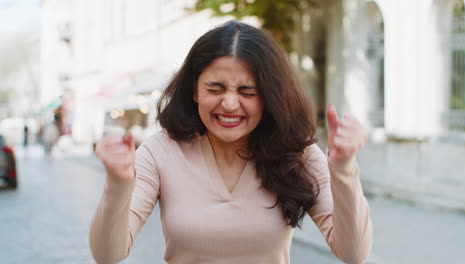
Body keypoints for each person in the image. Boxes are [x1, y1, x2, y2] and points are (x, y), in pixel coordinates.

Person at [90, 20, 372, 264]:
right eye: (215, 88)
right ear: (194, 91)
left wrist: (344, 169)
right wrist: (117, 184)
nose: (229, 103)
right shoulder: (160, 151)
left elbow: (353, 253)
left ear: (270, 97)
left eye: (247, 92)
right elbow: (108, 255)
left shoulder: (298, 153)